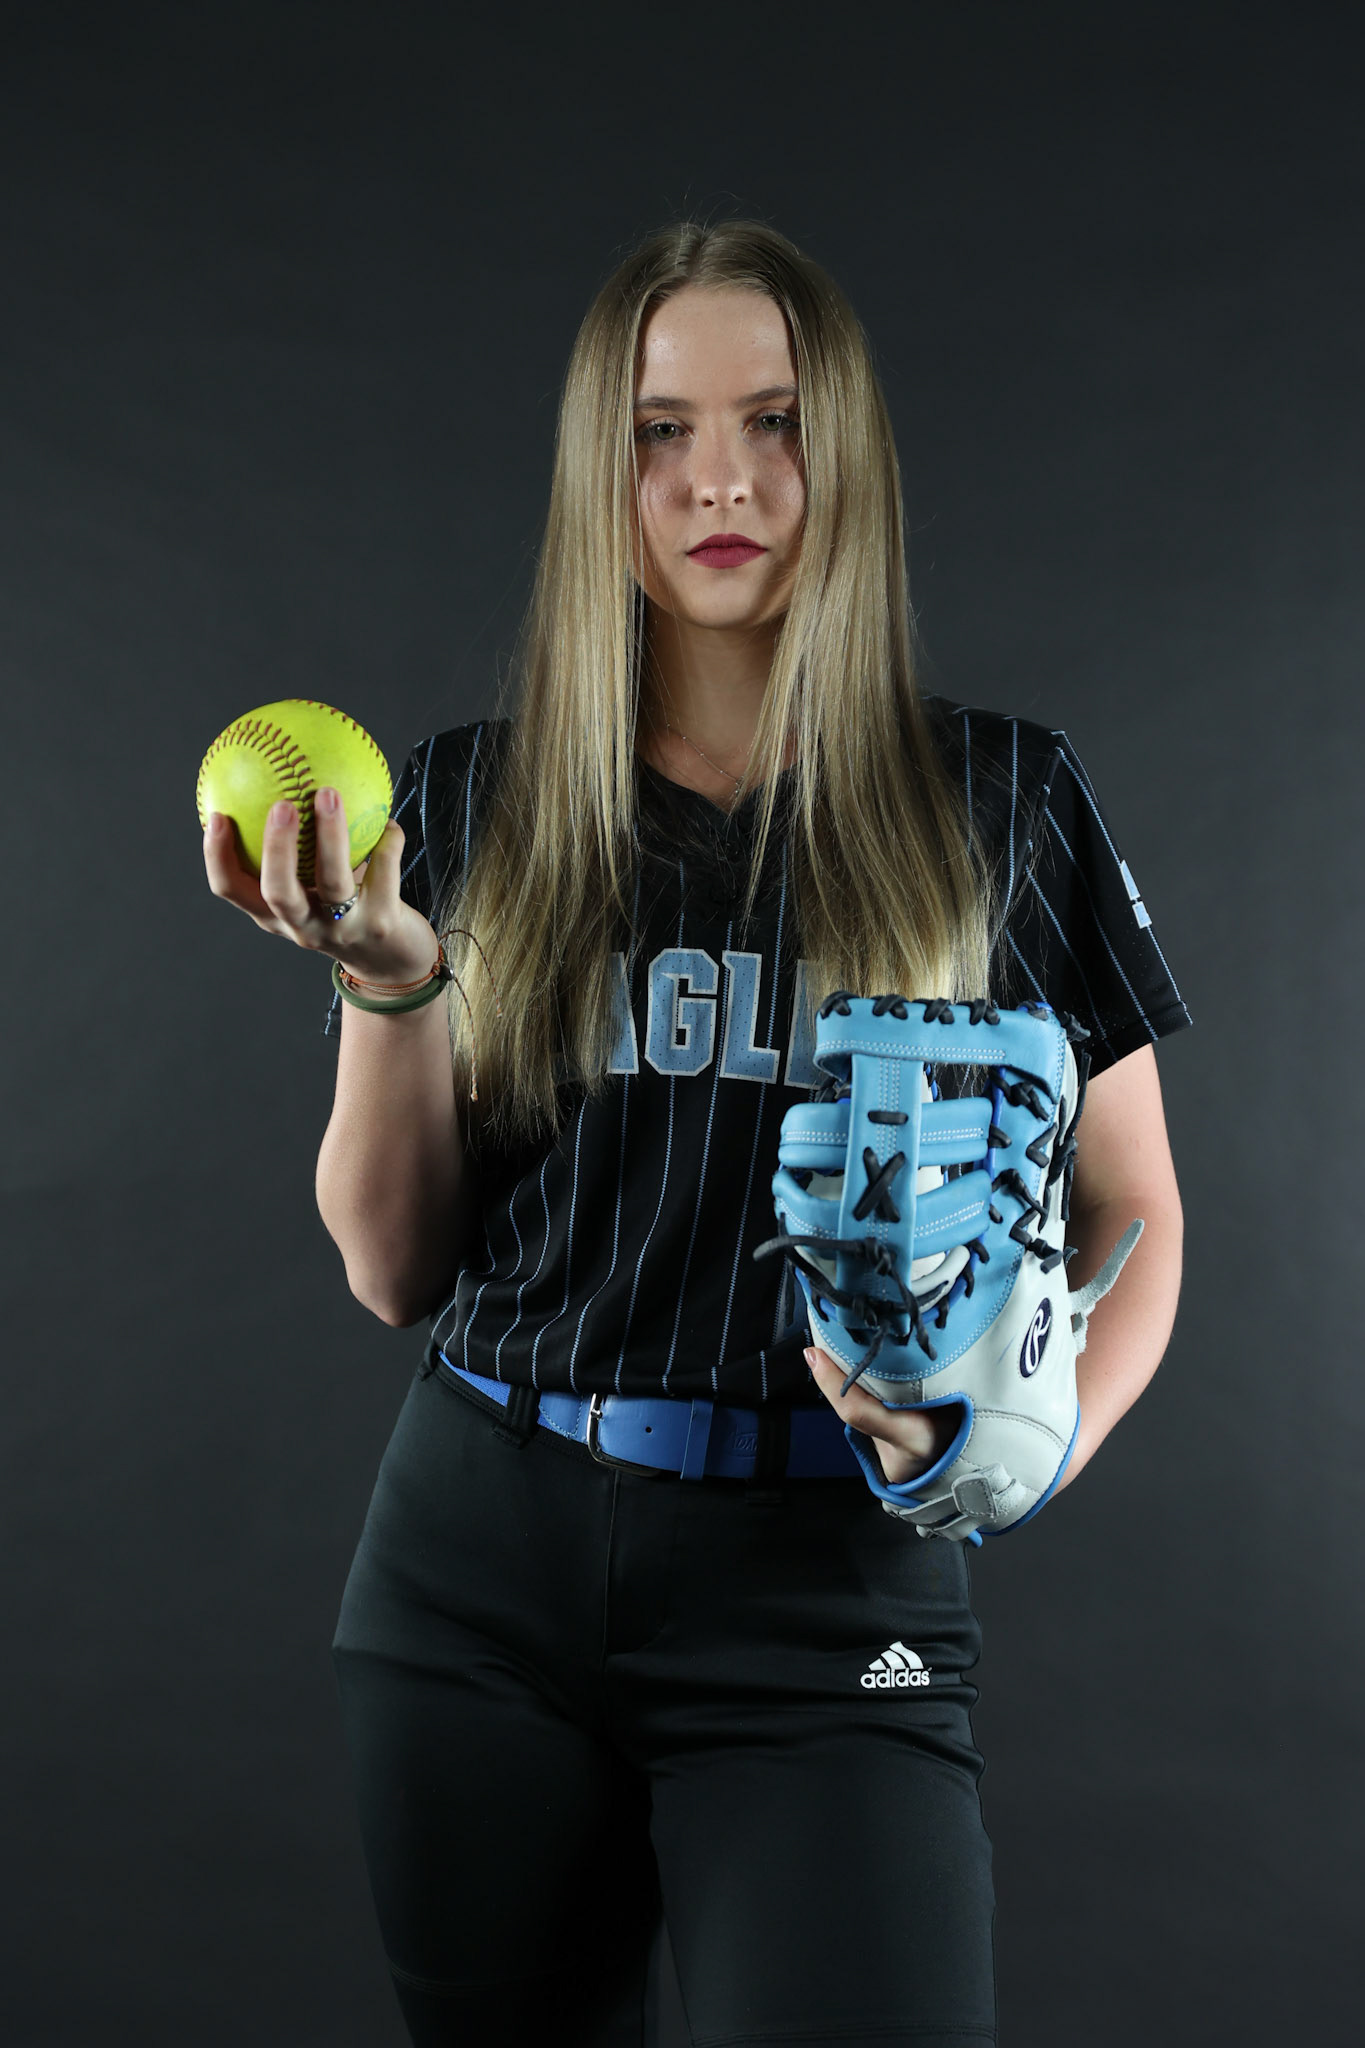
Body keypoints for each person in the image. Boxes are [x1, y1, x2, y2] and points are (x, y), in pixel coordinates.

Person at [203, 219, 1190, 2048]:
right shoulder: (474, 795)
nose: (718, 477)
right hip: (477, 1567)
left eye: (772, 420)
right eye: (659, 429)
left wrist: (1034, 1456)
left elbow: (1134, 1207)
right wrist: (389, 985)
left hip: (828, 1588)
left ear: (848, 456)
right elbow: (389, 1265)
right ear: (605, 470)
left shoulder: (1000, 797)